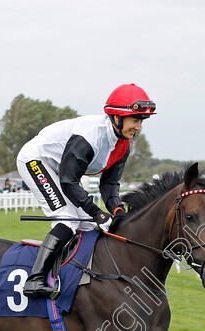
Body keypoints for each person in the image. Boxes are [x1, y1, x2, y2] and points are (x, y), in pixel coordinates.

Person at [16, 83, 156, 298]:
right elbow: (68, 182)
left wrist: (117, 211)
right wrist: (98, 212)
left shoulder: (123, 143)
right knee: (67, 219)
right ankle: (35, 280)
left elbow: (109, 184)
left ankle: (73, 273)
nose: (138, 127)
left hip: (61, 172)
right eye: (135, 120)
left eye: (141, 122)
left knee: (90, 225)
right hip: (36, 160)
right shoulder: (90, 136)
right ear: (117, 117)